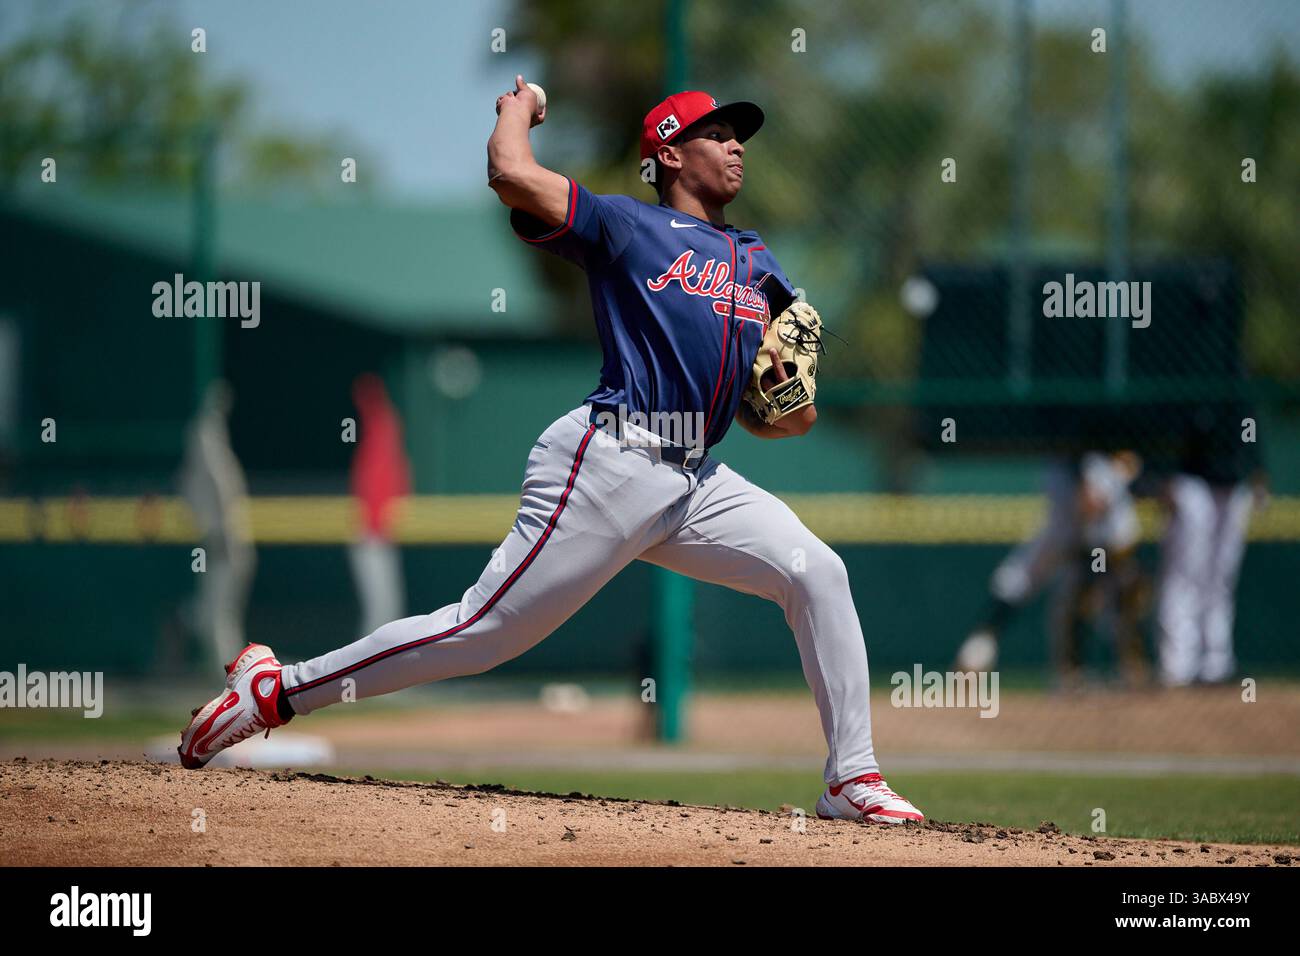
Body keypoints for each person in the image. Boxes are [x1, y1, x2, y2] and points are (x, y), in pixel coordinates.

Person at [178, 77, 923, 825]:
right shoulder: (628, 226)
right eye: (716, 132)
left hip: (697, 477)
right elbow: (511, 174)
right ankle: (275, 690)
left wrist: (788, 399)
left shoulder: (755, 260)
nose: (735, 145)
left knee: (817, 571)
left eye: (739, 135)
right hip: (615, 456)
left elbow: (783, 420)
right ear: (667, 152)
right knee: (482, 632)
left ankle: (849, 779)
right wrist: (517, 109)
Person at [178, 380, 256, 673]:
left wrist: (222, 530)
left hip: (227, 542)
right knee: (214, 614)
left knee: (218, 615)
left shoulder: (208, 437)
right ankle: (236, 678)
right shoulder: (206, 434)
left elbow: (221, 488)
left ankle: (234, 680)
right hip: (226, 541)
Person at [348, 373, 411, 636]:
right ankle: (361, 670)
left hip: (377, 536)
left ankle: (371, 670)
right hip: (370, 536)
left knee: (386, 608)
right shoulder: (379, 431)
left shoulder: (382, 427)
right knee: (382, 609)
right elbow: (373, 484)